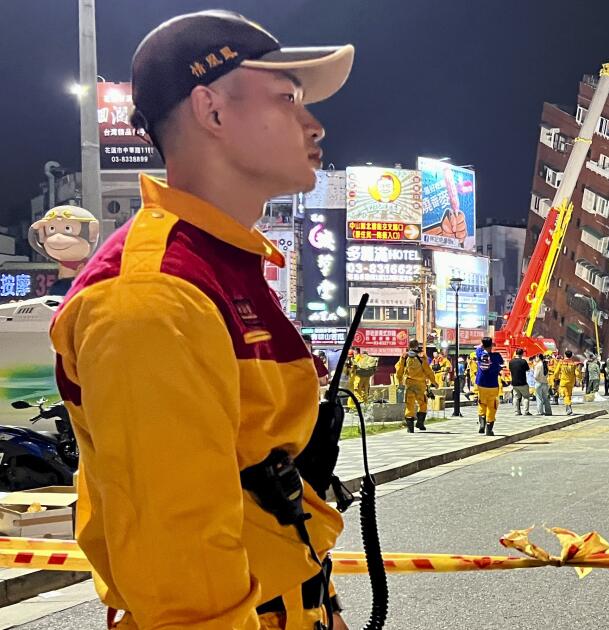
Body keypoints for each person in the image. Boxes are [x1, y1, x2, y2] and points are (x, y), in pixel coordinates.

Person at [47, 10, 355, 627]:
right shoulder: (154, 296)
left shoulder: (222, 265)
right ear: (211, 111)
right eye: (288, 98)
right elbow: (182, 584)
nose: (314, 123)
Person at [401, 339, 436, 433]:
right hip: (420, 385)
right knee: (423, 403)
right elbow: (428, 371)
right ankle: (420, 423)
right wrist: (434, 382)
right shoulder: (422, 356)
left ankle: (410, 428)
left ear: (409, 345)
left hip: (409, 384)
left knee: (409, 405)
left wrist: (399, 380)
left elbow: (399, 368)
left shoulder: (405, 356)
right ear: (417, 346)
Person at [475, 338, 504, 436]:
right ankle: (489, 428)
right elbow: (501, 363)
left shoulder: (479, 354)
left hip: (481, 383)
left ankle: (482, 423)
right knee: (492, 406)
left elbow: (478, 348)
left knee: (482, 403)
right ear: (491, 346)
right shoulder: (496, 356)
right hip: (493, 385)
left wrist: (483, 345)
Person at [555, 350, 581, 415]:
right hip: (571, 382)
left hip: (563, 382)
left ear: (565, 355)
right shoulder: (573, 364)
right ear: (571, 355)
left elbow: (556, 372)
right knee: (568, 395)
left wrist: (556, 378)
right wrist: (579, 379)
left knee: (565, 395)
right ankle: (568, 408)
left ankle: (569, 409)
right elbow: (577, 373)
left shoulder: (561, 363)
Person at [509, 348, 533, 416]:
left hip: (514, 383)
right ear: (522, 354)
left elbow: (510, 370)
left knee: (516, 397)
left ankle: (517, 411)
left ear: (516, 353)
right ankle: (526, 411)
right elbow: (528, 370)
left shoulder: (511, 362)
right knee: (526, 397)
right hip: (523, 382)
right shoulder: (523, 361)